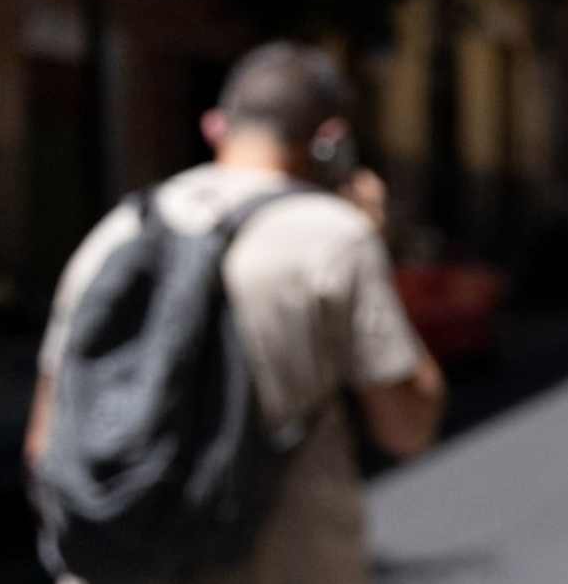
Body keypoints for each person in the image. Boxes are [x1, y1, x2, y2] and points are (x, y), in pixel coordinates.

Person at [24, 42, 446, 583]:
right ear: (329, 142)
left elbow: (44, 442)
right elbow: (407, 426)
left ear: (215, 127)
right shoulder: (335, 236)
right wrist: (375, 242)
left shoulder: (117, 231)